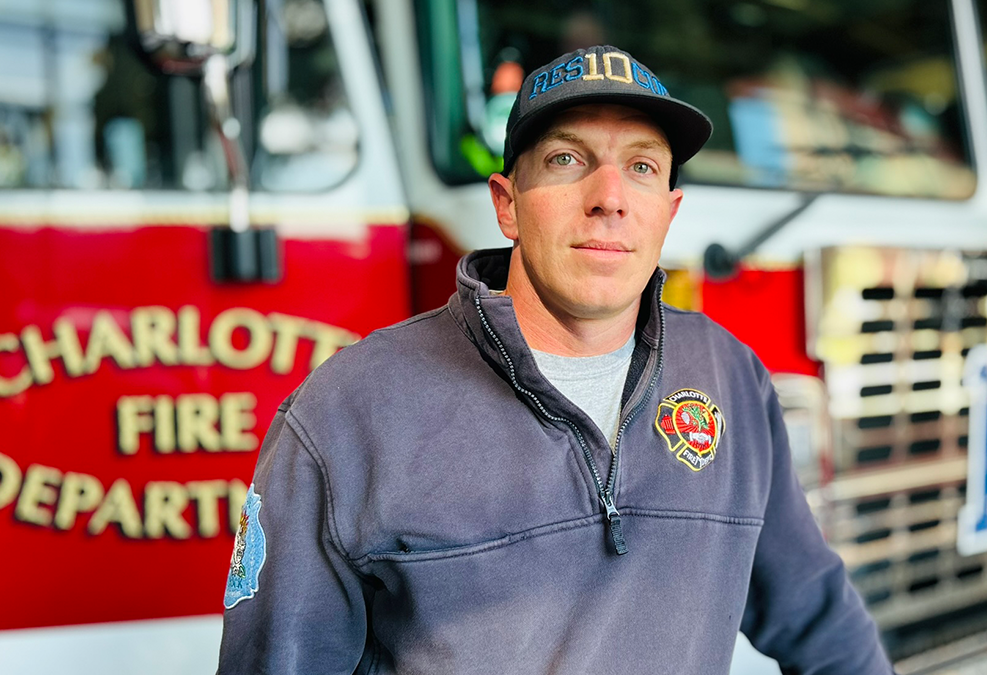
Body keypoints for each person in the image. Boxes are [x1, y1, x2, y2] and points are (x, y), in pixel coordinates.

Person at [217, 44, 894, 674]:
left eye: (643, 167)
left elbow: (822, 617)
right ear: (507, 205)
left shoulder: (730, 378)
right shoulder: (348, 416)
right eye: (567, 160)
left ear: (670, 209)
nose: (610, 197)